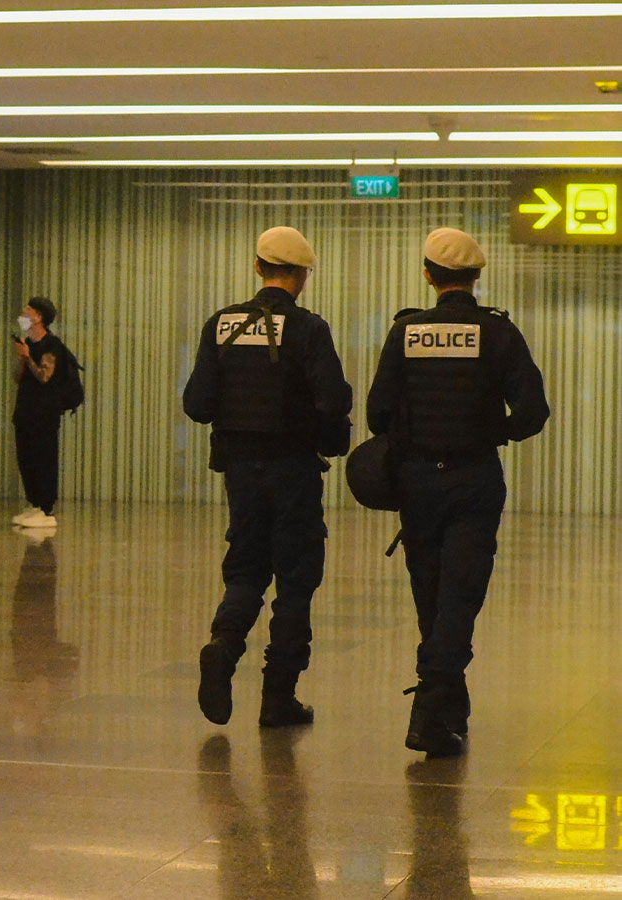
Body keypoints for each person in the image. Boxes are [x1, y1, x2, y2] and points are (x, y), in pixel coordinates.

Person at [367, 227, 549, 756]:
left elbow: (379, 413)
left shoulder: (406, 332)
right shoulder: (497, 334)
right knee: (461, 593)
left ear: (428, 275)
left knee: (432, 592)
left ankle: (448, 703)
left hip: (417, 482)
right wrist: (496, 433)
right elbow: (533, 413)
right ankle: (430, 709)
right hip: (474, 479)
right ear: (476, 276)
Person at [183, 226, 352, 727]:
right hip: (294, 471)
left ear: (258, 268)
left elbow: (197, 404)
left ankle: (223, 643)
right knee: (296, 581)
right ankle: (279, 696)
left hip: (240, 472)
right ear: (302, 276)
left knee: (247, 568)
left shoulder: (221, 324)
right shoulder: (309, 329)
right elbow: (334, 400)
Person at [12, 296, 64, 529]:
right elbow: (17, 377)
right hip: (24, 411)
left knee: (43, 459)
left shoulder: (52, 345)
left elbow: (44, 376)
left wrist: (28, 358)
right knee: (26, 458)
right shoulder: (28, 344)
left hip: (44, 414)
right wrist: (21, 358)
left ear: (39, 316)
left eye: (28, 309)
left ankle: (46, 507)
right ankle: (33, 503)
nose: (24, 312)